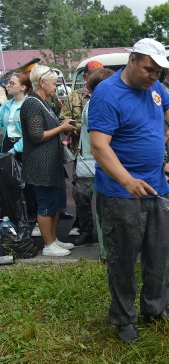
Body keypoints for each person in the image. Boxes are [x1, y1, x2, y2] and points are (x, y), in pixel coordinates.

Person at [89, 38, 169, 343]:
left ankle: (155, 307)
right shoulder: (107, 93)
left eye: (158, 71)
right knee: (123, 258)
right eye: (148, 69)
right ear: (132, 60)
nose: (153, 76)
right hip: (120, 193)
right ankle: (124, 318)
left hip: (157, 187)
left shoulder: (153, 88)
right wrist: (128, 181)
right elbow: (99, 146)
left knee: (158, 252)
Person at [20, 65, 77, 257]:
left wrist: (62, 126)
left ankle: (53, 239)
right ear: (42, 82)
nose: (55, 87)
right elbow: (36, 135)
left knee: (56, 202)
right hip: (40, 164)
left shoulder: (43, 102)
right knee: (46, 203)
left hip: (51, 163)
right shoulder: (32, 104)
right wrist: (61, 129)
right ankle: (48, 244)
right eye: (53, 83)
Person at [59, 60, 104, 246]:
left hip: (105, 157)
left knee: (107, 198)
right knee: (82, 196)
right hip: (82, 155)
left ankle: (106, 234)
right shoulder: (75, 97)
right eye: (92, 74)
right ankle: (86, 231)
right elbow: (63, 121)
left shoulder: (110, 95)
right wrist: (83, 127)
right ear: (85, 77)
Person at [77, 67, 115, 262]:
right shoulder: (97, 105)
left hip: (95, 162)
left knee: (103, 209)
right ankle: (106, 252)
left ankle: (106, 251)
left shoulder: (91, 103)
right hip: (99, 164)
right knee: (104, 211)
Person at [1, 73, 31, 159]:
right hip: (7, 144)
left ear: (23, 87)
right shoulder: (6, 105)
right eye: (8, 82)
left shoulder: (29, 105)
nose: (8, 85)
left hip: (24, 146)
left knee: (22, 171)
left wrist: (14, 150)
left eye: (12, 83)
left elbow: (29, 134)